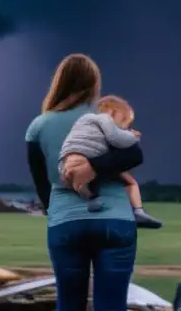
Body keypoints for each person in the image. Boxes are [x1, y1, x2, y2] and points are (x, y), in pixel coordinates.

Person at [25, 53, 143, 311]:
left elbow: (42, 185)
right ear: (94, 85)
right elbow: (136, 153)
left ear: (58, 82)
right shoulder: (105, 119)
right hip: (115, 223)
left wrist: (58, 210)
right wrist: (99, 168)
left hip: (65, 224)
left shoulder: (38, 126)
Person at [57, 94, 163, 228]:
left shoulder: (85, 125)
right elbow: (115, 138)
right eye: (124, 120)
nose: (125, 126)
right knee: (132, 159)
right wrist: (132, 136)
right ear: (112, 111)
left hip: (65, 166)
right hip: (84, 159)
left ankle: (93, 200)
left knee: (127, 182)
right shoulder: (104, 118)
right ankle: (137, 211)